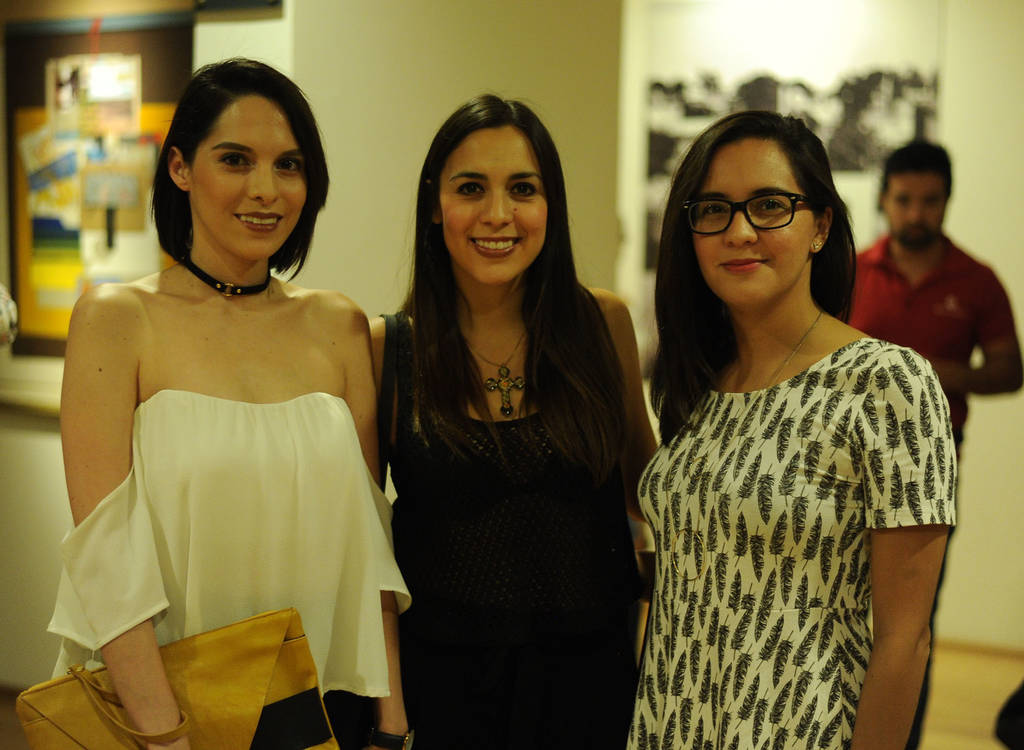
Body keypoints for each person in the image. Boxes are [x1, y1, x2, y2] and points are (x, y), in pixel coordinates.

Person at [47, 58, 410, 750]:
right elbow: (105, 555)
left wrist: (391, 722)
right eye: (236, 160)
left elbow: (369, 544)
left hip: (324, 701)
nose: (265, 190)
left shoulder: (339, 325)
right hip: (165, 706)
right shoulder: (117, 319)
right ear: (180, 167)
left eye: (288, 165)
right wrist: (165, 735)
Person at [631, 110, 957, 750]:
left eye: (769, 206)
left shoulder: (886, 382)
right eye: (713, 210)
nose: (739, 231)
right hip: (672, 723)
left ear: (821, 226)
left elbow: (905, 639)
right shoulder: (697, 380)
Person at [370, 94, 656, 749]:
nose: (498, 214)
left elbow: (650, 494)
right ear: (434, 205)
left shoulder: (603, 325)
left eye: (523, 189)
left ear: (551, 207)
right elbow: (366, 556)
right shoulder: (387, 350)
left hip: (594, 689)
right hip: (443, 695)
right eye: (471, 188)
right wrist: (389, 718)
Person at [849, 140, 1022, 748]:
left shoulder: (977, 281)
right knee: (837, 607)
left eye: (930, 201)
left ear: (947, 201)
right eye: (904, 200)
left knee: (911, 624)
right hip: (845, 462)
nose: (916, 213)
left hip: (933, 465)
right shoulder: (851, 271)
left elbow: (1009, 370)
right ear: (884, 200)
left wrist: (928, 373)